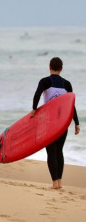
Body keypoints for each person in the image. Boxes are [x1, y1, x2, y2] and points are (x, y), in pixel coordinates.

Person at [31, 57, 80, 189]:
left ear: (49, 66)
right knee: (59, 151)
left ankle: (54, 183)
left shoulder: (45, 81)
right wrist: (76, 122)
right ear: (61, 68)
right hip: (63, 123)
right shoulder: (67, 84)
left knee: (51, 152)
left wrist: (34, 110)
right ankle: (60, 181)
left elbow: (37, 94)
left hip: (49, 122)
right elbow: (72, 105)